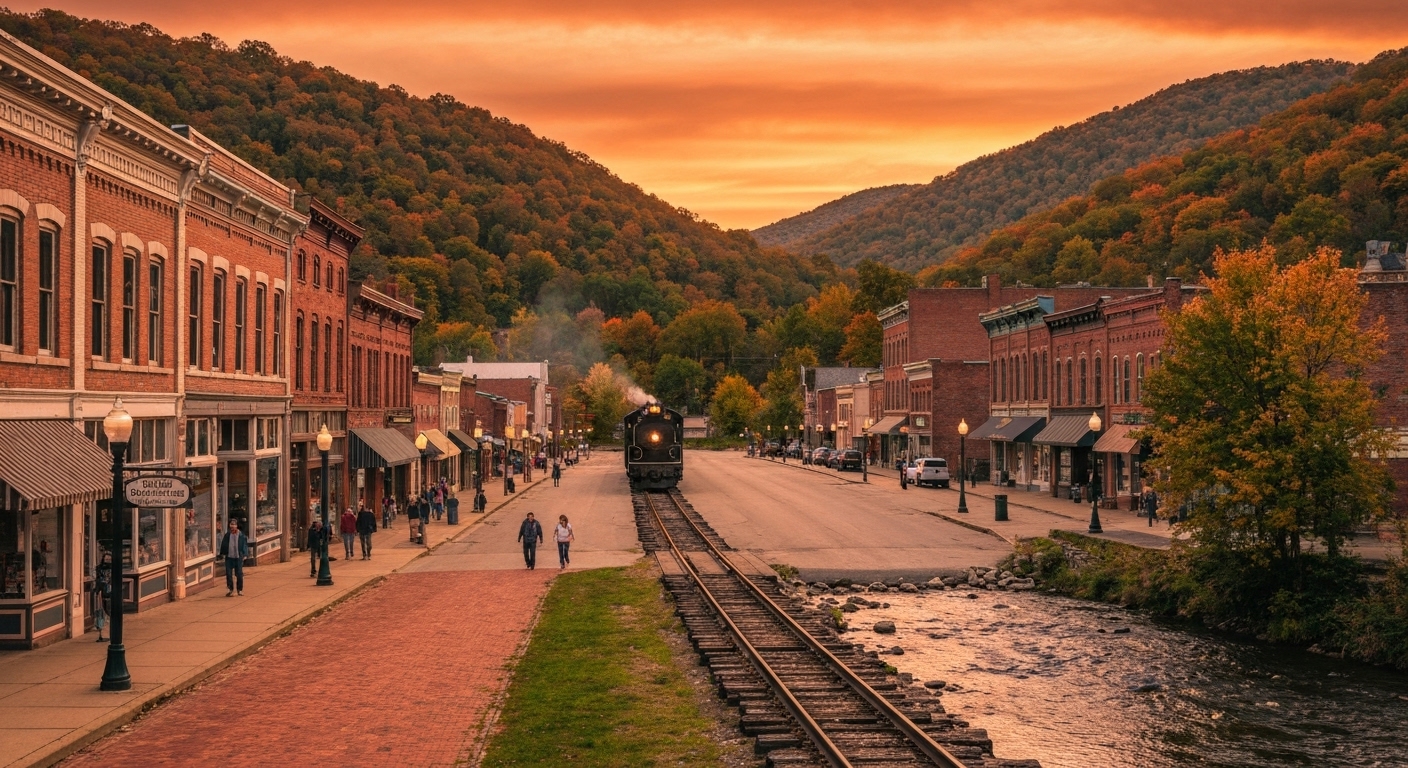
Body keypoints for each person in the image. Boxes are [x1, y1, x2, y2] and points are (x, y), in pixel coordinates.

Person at [220, 520, 249, 597]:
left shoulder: (241, 536)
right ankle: (230, 590)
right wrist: (223, 553)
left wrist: (245, 554)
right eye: (231, 525)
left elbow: (244, 545)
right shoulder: (227, 535)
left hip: (238, 557)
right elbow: (224, 544)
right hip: (229, 557)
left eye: (234, 525)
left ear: (237, 526)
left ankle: (240, 590)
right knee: (229, 574)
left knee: (239, 574)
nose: (232, 527)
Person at [92, 552, 111, 641]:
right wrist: (97, 590)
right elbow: (98, 580)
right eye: (106, 559)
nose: (107, 561)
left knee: (108, 614)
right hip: (102, 593)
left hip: (110, 593)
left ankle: (107, 633)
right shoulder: (99, 568)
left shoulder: (113, 569)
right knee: (101, 613)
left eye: (109, 560)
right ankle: (101, 633)